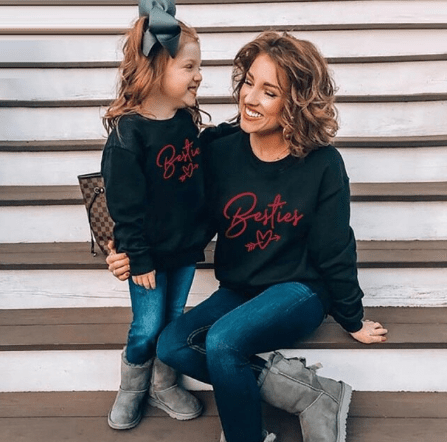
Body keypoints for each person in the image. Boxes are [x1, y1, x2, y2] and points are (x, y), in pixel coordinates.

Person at [107, 31, 388, 442]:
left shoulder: (323, 164)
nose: (249, 98)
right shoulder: (220, 148)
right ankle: (313, 395)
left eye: (269, 91)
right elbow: (183, 214)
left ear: (295, 103)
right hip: (241, 289)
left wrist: (352, 316)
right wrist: (130, 248)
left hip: (300, 288)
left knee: (222, 341)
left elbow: (335, 247)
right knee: (172, 345)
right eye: (248, 82)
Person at [101, 0, 219, 430]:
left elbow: (196, 185)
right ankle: (132, 387)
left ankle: (164, 384)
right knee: (146, 327)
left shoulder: (186, 121)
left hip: (184, 248)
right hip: (146, 257)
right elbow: (124, 207)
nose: (199, 75)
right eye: (189, 67)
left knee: (173, 322)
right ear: (156, 70)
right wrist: (138, 255)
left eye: (197, 67)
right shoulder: (128, 134)